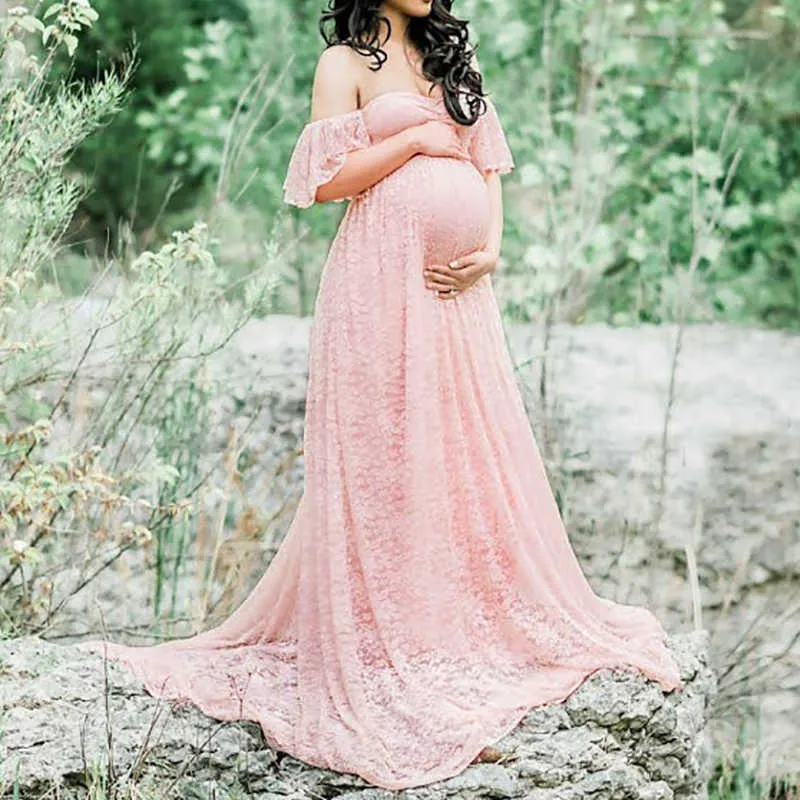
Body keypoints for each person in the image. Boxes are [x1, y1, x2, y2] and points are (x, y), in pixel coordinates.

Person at [79, 0, 684, 790]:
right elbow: (326, 183)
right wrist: (411, 140)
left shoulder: (450, 61)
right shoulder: (344, 65)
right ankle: (387, 644)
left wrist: (491, 250)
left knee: (462, 454)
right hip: (377, 283)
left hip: (456, 295)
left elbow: (487, 165)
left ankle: (451, 632)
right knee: (387, 456)